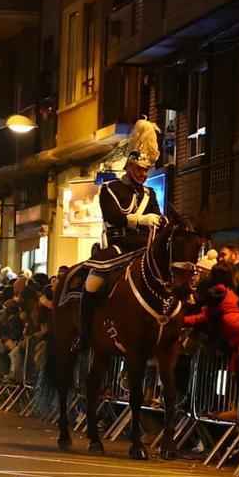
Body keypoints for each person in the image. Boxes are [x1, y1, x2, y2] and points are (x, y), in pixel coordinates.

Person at [77, 119, 164, 350]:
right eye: (139, 169)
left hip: (144, 247)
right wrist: (141, 219)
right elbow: (114, 216)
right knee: (92, 283)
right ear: (129, 166)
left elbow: (159, 217)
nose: (143, 174)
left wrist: (160, 220)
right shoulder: (110, 189)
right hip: (119, 246)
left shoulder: (150, 193)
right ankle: (84, 334)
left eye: (146, 170)